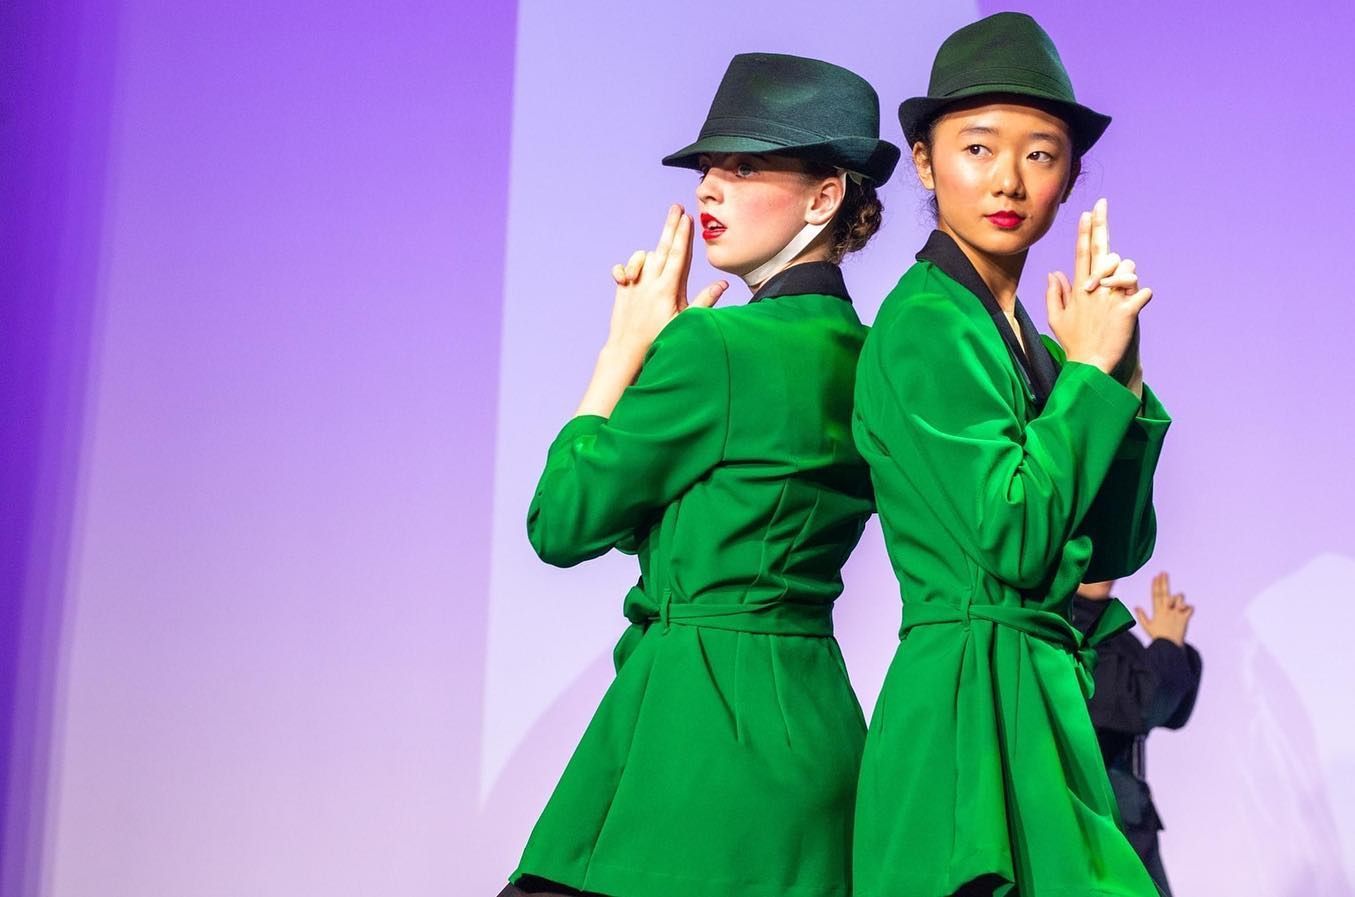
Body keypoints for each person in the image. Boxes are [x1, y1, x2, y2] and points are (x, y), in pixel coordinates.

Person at [499, 52, 899, 897]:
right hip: (817, 739)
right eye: (708, 168)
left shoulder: (711, 348)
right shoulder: (868, 359)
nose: (709, 189)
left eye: (745, 165)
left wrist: (625, 352)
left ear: (826, 196)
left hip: (692, 742)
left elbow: (561, 522)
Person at [851, 13, 1171, 896]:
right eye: (978, 147)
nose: (1008, 178)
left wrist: (1119, 379)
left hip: (1036, 703)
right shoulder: (925, 320)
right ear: (923, 162)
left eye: (1040, 153)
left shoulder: (1022, 333)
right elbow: (1017, 535)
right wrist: (1088, 377)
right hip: (964, 714)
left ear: (1069, 177)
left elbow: (1111, 549)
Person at [1073, 573, 1202, 897]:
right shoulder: (1062, 626)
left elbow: (1171, 712)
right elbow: (1136, 703)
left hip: (1129, 809)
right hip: (1093, 812)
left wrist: (1174, 646)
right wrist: (1167, 646)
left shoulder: (1112, 627)